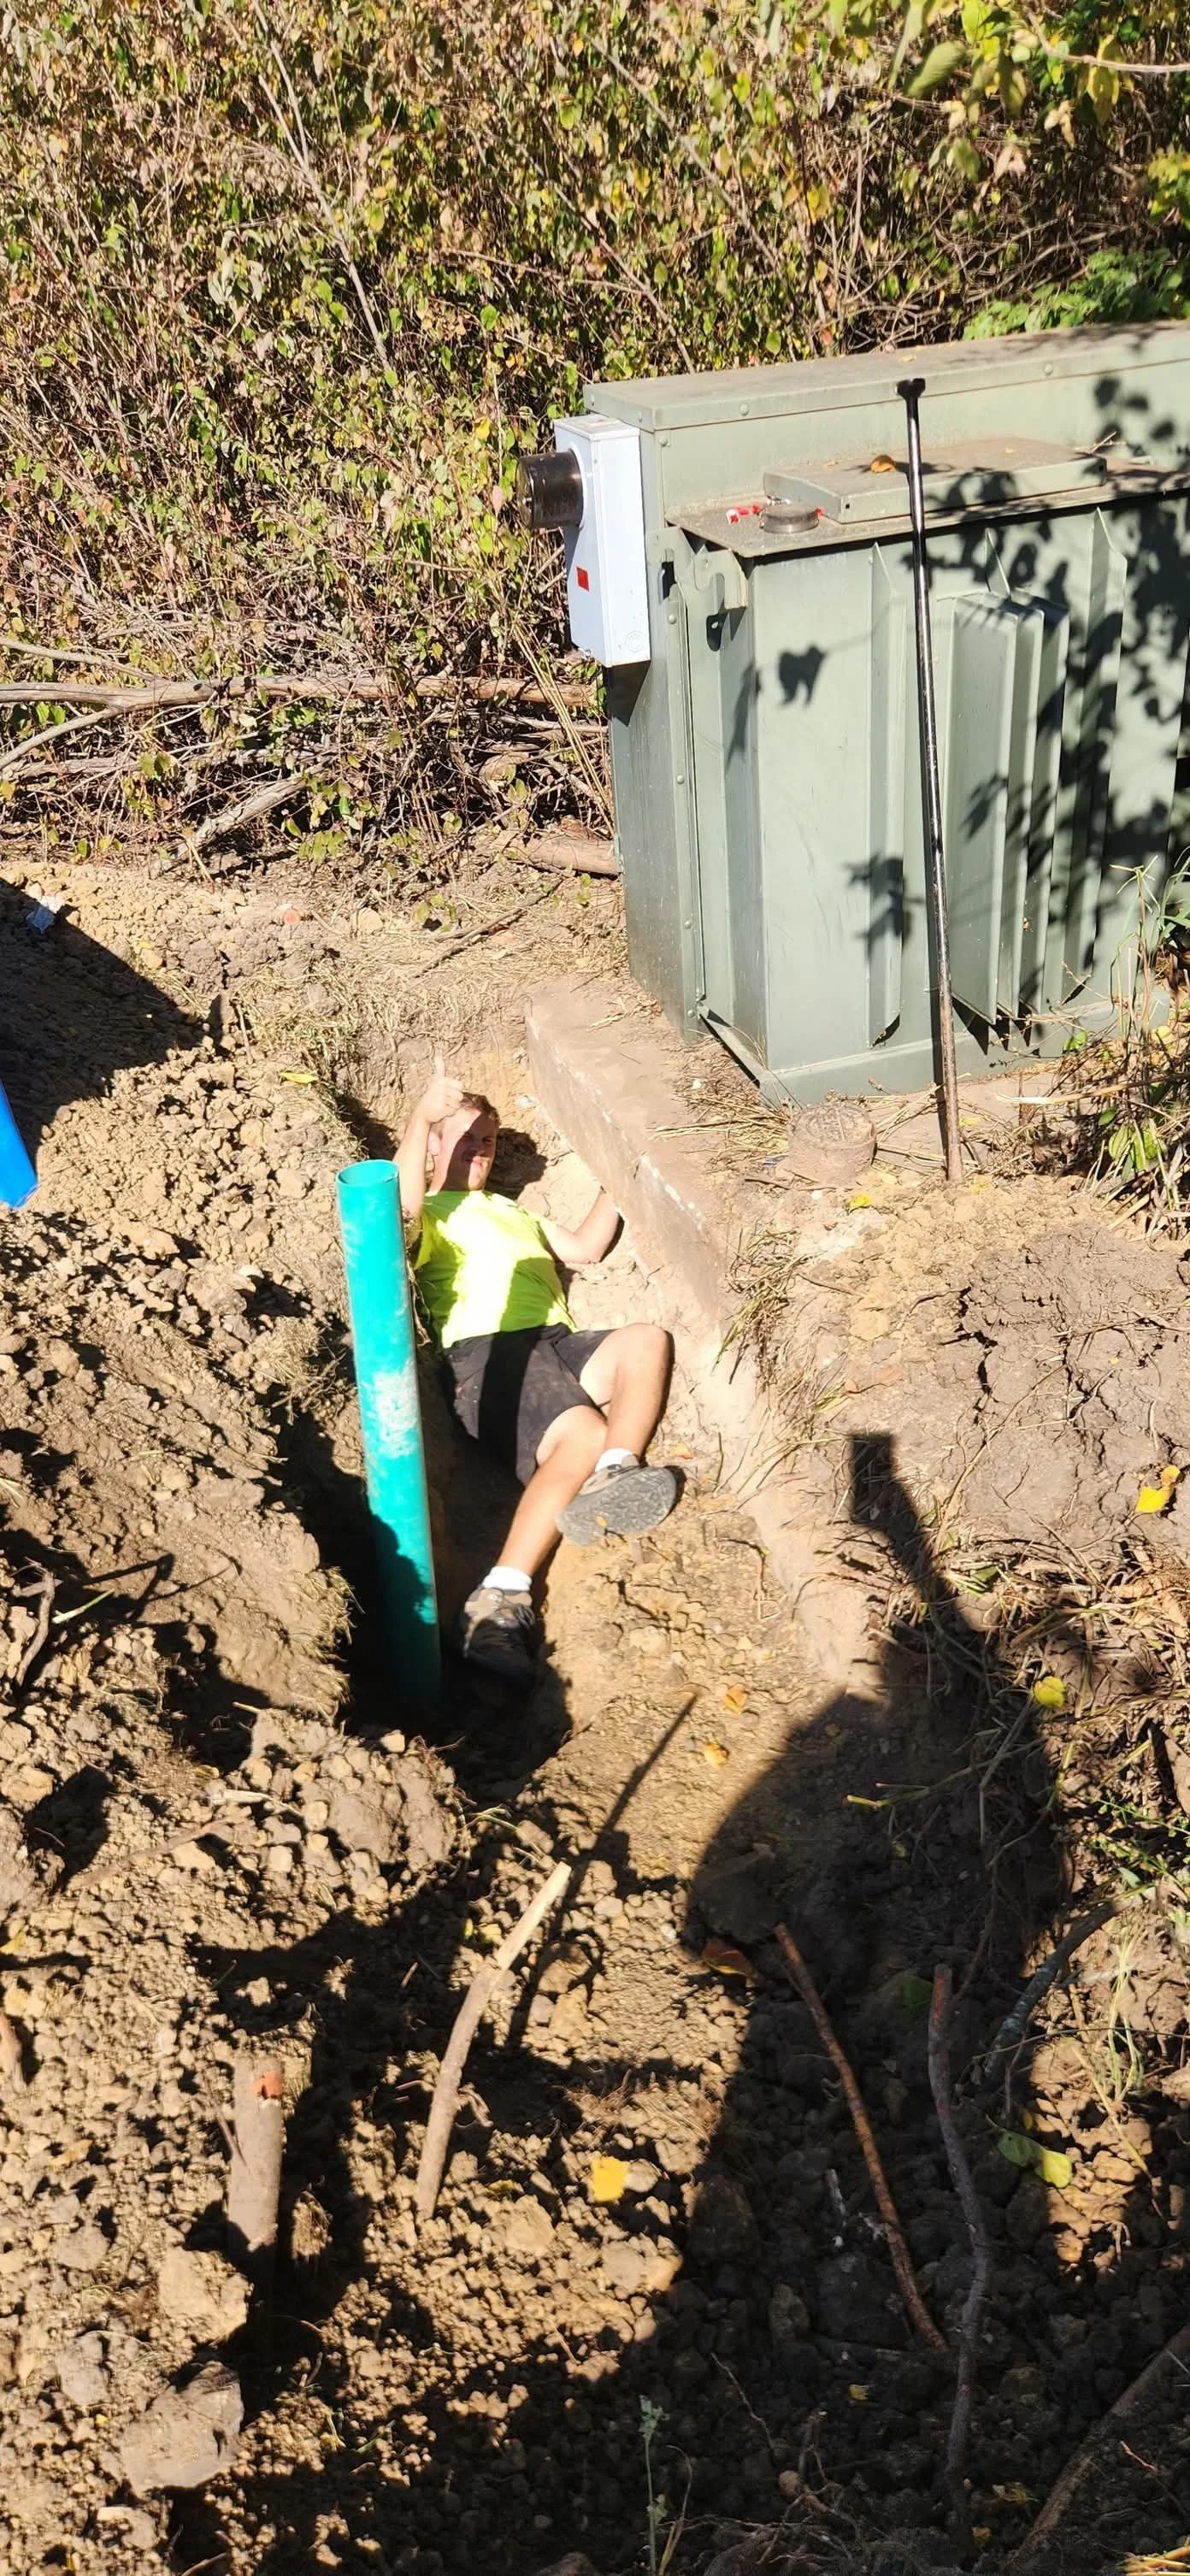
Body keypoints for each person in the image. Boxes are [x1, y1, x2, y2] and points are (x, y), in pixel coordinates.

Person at [396, 1054, 675, 1684]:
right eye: (465, 1138)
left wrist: (624, 1168)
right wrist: (421, 1116)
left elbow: (587, 1247)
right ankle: (499, 1594)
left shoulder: (514, 1212)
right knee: (580, 1432)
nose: (481, 1150)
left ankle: (616, 1471)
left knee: (645, 1340)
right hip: (487, 1352)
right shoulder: (431, 1215)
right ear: (436, 1143)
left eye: (488, 1140)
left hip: (554, 1341)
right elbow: (399, 1210)